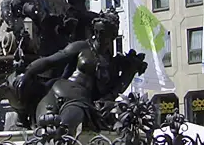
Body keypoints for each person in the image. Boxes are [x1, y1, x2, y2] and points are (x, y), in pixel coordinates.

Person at [12, 11, 146, 135]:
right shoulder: (81, 47)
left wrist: (131, 70)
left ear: (113, 35)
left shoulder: (112, 64)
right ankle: (21, 122)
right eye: (97, 31)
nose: (99, 36)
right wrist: (28, 73)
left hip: (79, 102)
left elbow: (113, 92)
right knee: (43, 126)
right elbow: (50, 61)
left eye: (104, 32)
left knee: (62, 130)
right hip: (55, 91)